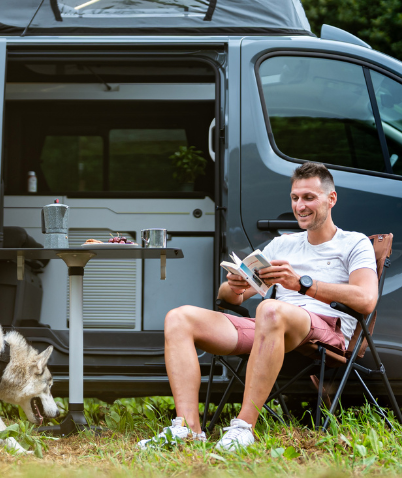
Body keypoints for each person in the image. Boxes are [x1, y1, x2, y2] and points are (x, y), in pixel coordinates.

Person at [139, 162, 379, 451]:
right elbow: (229, 298)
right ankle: (187, 428)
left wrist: (302, 284)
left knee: (270, 309)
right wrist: (235, 285)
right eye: (295, 198)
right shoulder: (282, 245)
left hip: (325, 329)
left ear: (331, 199)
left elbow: (366, 299)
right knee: (179, 318)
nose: (300, 206)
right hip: (271, 327)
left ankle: (244, 427)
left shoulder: (354, 243)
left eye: (309, 198)